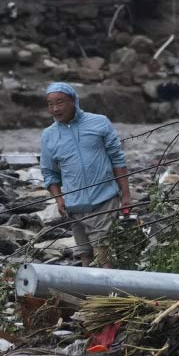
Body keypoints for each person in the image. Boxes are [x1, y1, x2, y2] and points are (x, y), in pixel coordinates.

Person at [38, 82, 132, 264]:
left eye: (60, 102)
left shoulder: (99, 122)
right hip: (74, 207)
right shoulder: (48, 135)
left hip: (105, 200)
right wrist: (59, 199)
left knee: (103, 255)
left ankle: (110, 290)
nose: (55, 108)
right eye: (50, 104)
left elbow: (117, 159)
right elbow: (49, 172)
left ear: (74, 101)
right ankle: (93, 292)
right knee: (86, 257)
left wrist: (126, 195)